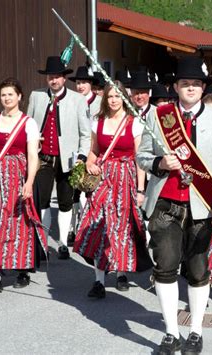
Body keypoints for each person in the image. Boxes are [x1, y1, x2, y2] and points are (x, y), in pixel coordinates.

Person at [137, 57, 212, 355]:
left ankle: (195, 331)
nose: (191, 88)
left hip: (203, 206)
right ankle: (171, 333)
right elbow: (141, 156)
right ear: (175, 87)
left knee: (197, 271)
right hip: (165, 203)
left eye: (196, 84)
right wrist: (159, 162)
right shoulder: (159, 117)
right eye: (185, 83)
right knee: (165, 267)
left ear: (203, 86)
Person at [73, 80, 152, 297]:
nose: (114, 100)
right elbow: (94, 151)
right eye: (110, 96)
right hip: (104, 177)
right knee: (99, 225)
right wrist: (89, 163)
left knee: (121, 226)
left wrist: (140, 189)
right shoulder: (97, 121)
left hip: (126, 178)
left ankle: (120, 273)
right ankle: (99, 280)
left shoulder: (134, 122)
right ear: (105, 99)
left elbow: (140, 159)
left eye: (118, 96)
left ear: (124, 98)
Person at [0, 77, 47, 295]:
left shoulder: (28, 123)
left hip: (19, 175)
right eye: (3, 94)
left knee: (20, 223)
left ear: (19, 97)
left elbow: (33, 155)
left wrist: (29, 182)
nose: (6, 98)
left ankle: (22, 269)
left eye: (10, 94)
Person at [27, 56, 91, 260]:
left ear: (64, 78)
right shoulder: (36, 96)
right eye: (50, 77)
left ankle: (63, 242)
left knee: (64, 202)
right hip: (43, 157)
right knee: (43, 200)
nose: (53, 80)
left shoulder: (77, 100)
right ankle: (43, 243)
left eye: (57, 77)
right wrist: (31, 143)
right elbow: (27, 125)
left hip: (69, 158)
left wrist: (82, 155)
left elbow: (86, 133)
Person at [67, 65, 103, 247]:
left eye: (84, 83)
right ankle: (73, 228)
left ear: (91, 84)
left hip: (96, 151)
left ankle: (90, 225)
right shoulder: (71, 101)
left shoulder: (100, 103)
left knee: (92, 189)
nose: (81, 86)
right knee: (74, 191)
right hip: (77, 151)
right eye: (78, 83)